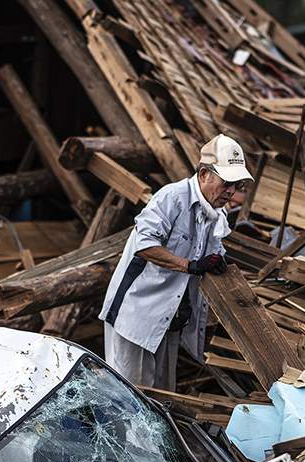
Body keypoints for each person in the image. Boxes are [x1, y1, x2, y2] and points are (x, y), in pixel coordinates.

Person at [99, 134, 253, 389]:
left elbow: (212, 256)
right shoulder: (172, 198)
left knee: (161, 398)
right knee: (128, 397)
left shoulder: (216, 214)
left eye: (237, 186)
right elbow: (144, 245)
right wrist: (189, 265)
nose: (231, 192)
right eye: (226, 183)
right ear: (204, 174)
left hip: (170, 320)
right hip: (137, 316)